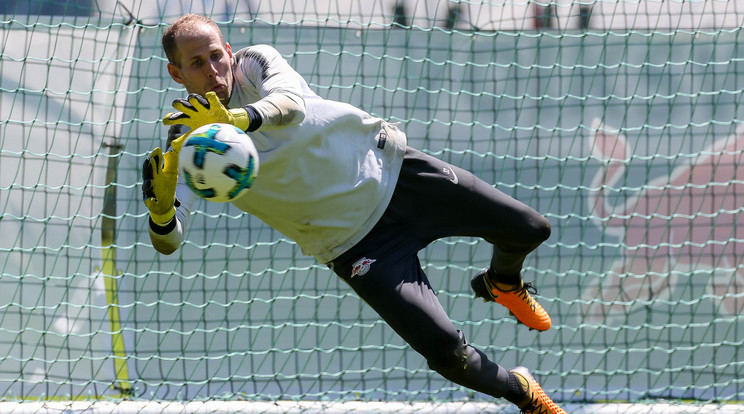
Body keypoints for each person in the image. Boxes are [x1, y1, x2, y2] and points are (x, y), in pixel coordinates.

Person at [142, 13, 566, 414]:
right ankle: (522, 391)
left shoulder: (255, 62)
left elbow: (291, 106)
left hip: (395, 174)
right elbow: (169, 241)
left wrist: (234, 117)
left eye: (216, 54)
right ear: (177, 74)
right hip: (355, 244)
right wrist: (161, 211)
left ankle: (502, 282)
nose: (214, 70)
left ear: (229, 50)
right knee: (445, 354)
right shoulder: (186, 140)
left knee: (530, 228)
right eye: (197, 63)